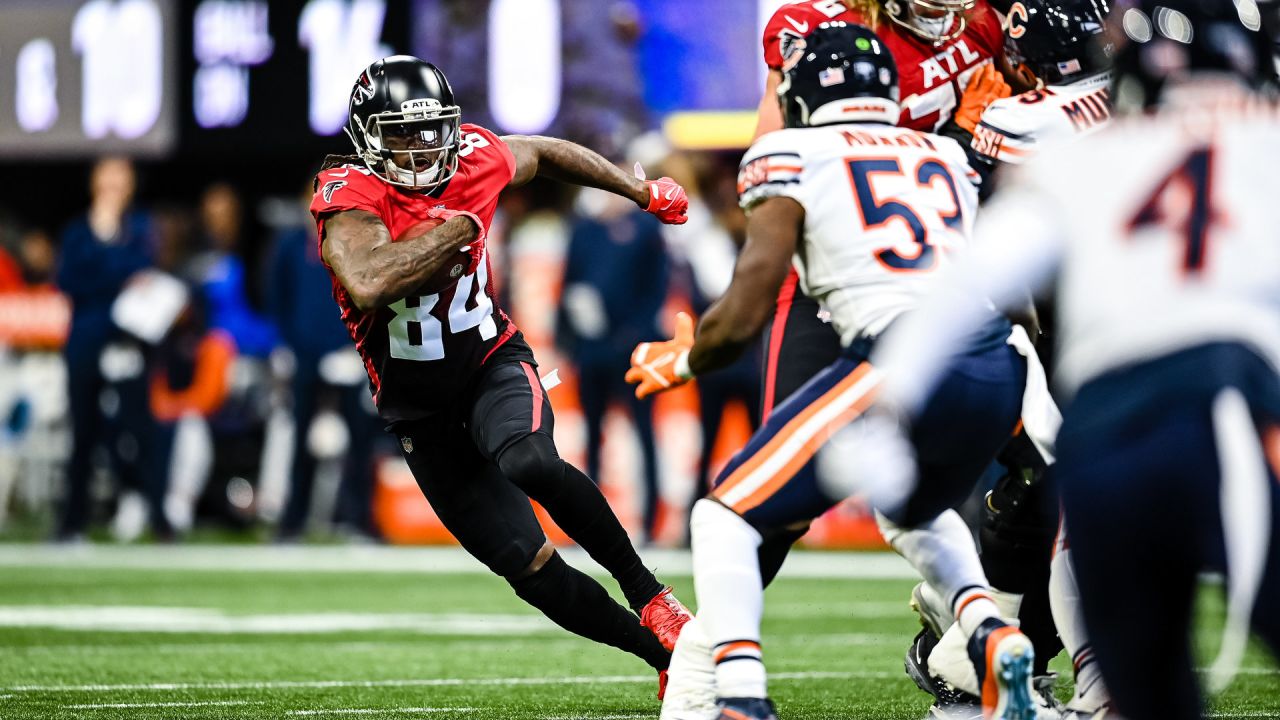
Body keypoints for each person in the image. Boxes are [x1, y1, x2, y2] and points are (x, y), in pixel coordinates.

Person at [866, 2, 1280, 717]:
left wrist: (887, 406)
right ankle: (1030, 662)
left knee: (1067, 538)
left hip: (1101, 404)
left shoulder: (1061, 147)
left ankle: (1044, 668)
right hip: (1234, 407)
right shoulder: (1263, 141)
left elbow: (971, 279)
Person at [630, 23, 1037, 719]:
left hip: (902, 358)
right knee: (915, 512)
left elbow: (748, 306)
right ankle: (988, 633)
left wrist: (688, 358)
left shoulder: (790, 152)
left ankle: (740, 697)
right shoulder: (945, 153)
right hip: (998, 362)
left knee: (724, 513)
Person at [308, 55, 692, 694]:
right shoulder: (349, 198)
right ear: (367, 135)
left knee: (529, 461)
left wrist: (637, 190)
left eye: (432, 129)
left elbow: (543, 152)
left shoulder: (475, 157)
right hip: (419, 412)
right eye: (402, 132)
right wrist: (454, 228)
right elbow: (369, 282)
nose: (423, 146)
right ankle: (665, 657)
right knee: (530, 567)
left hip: (490, 364)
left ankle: (652, 596)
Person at [54, 157, 171, 542]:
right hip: (86, 342)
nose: (115, 186)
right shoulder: (77, 231)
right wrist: (108, 254)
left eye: (123, 178)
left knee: (142, 431)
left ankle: (159, 520)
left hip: (128, 342)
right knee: (83, 435)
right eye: (108, 177)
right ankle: (72, 523)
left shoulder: (140, 228)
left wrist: (108, 257)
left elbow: (143, 271)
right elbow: (70, 281)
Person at [556, 184, 669, 542]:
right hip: (592, 349)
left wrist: (634, 335)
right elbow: (569, 283)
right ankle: (588, 526)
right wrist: (569, 339)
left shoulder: (645, 229)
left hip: (633, 351)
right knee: (592, 437)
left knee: (645, 433)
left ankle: (651, 522)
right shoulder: (584, 229)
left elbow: (658, 289)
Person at [269, 192, 381, 542]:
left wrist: (357, 346)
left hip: (349, 354)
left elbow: (374, 293)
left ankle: (358, 521)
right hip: (305, 355)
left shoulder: (357, 241)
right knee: (300, 440)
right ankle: (292, 522)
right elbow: (277, 296)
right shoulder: (292, 244)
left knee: (359, 442)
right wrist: (287, 346)